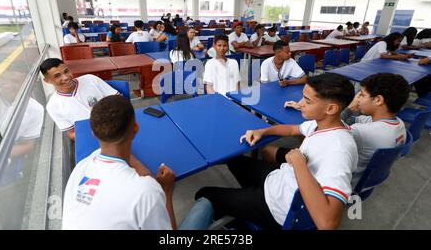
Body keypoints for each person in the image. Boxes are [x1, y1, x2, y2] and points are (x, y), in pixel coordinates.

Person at [195, 73, 357, 230]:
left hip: (278, 207)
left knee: (205, 194)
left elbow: (327, 224)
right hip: (279, 180)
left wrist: (299, 164)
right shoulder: (321, 123)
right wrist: (262, 131)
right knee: (235, 160)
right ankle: (246, 201)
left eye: (307, 101)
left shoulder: (339, 150)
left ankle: (240, 222)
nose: (300, 103)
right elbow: (292, 129)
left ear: (331, 108)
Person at [62, 95, 214, 230]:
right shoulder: (146, 191)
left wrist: (148, 177)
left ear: (93, 134)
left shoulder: (81, 167)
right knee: (206, 204)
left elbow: (126, 156)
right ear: (135, 128)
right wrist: (165, 190)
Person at [341, 73, 408, 187]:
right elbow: (356, 120)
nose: (358, 99)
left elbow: (326, 129)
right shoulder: (399, 124)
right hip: (367, 181)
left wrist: (350, 108)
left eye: (362, 95)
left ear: (378, 99)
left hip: (347, 185)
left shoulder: (361, 132)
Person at [40, 58, 119, 141]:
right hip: (92, 138)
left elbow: (119, 100)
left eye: (66, 71)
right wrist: (94, 134)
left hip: (116, 124)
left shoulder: (90, 79)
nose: (66, 77)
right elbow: (71, 133)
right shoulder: (52, 106)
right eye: (57, 76)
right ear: (47, 81)